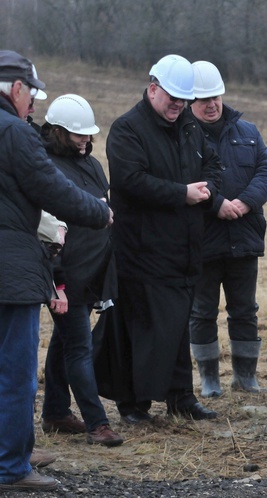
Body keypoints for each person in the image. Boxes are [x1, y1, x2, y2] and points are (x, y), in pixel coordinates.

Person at [0, 50, 112, 492]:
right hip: (11, 273)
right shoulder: (16, 133)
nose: (33, 106)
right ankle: (10, 466)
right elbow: (52, 187)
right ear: (16, 89)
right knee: (16, 369)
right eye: (32, 96)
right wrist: (98, 211)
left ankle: (15, 447)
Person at [106, 54, 222, 424]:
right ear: (152, 88)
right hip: (141, 250)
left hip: (184, 247)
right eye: (172, 98)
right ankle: (133, 404)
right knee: (142, 328)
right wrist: (181, 194)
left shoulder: (189, 125)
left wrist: (207, 189)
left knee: (175, 324)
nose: (178, 105)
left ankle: (180, 396)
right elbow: (130, 181)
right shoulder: (127, 129)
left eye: (184, 100)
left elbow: (213, 164)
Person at [188, 61, 267, 397]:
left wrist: (244, 203)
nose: (211, 104)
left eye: (215, 97)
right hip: (203, 240)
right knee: (202, 311)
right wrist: (217, 203)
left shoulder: (248, 132)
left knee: (245, 310)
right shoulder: (184, 137)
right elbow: (183, 179)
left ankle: (245, 376)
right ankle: (209, 379)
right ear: (189, 102)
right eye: (202, 99)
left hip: (244, 236)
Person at [38, 94, 123, 446]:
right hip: (66, 276)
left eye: (89, 135)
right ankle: (97, 424)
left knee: (65, 342)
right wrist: (56, 283)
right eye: (79, 135)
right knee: (78, 346)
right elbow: (46, 230)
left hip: (93, 273)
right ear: (58, 132)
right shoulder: (43, 167)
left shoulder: (91, 163)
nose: (87, 141)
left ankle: (55, 412)